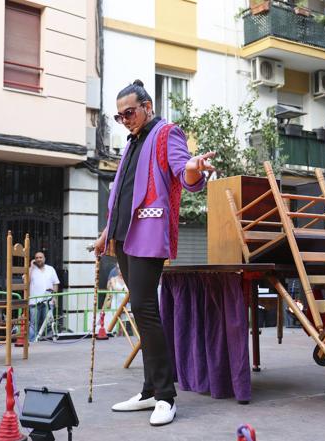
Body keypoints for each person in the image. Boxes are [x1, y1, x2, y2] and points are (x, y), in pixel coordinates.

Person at [93, 79, 214, 426]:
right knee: (140, 309)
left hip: (148, 234)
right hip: (124, 236)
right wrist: (106, 233)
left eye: (129, 112)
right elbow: (121, 194)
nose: (125, 120)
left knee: (145, 310)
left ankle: (165, 396)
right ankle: (149, 391)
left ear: (147, 106)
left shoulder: (166, 133)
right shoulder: (132, 143)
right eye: (119, 116)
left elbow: (185, 172)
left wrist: (193, 169)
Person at [27, 251, 59, 342]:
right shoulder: (31, 270)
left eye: (40, 257)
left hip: (48, 301)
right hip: (34, 301)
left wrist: (54, 297)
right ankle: (32, 342)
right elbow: (26, 282)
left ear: (44, 258)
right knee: (34, 324)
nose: (38, 259)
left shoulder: (50, 269)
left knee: (48, 323)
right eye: (36, 257)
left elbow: (55, 283)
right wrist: (31, 267)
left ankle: (48, 342)